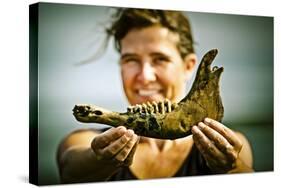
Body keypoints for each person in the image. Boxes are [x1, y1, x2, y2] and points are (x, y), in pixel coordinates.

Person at [56, 8, 254, 183]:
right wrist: (97, 159)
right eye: (131, 60)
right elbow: (71, 170)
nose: (145, 76)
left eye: (160, 59)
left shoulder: (231, 146)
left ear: (188, 67)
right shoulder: (83, 139)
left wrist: (234, 168)